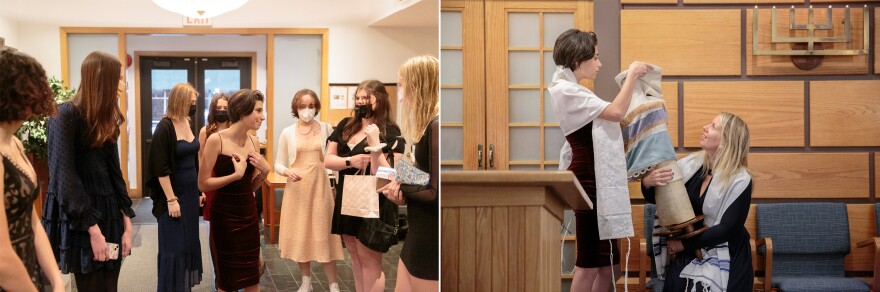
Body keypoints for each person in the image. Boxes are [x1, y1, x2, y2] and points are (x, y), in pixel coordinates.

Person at [548, 29, 651, 291]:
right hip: (589, 181)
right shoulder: (566, 90)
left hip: (596, 177)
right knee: (589, 263)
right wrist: (632, 75)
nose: (599, 64)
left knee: (608, 265)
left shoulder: (572, 89)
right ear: (577, 60)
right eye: (594, 57)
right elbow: (616, 112)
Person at [42, 51, 134, 292]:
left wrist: (127, 222)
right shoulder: (64, 114)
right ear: (103, 79)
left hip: (109, 214)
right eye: (119, 78)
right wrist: (92, 229)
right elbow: (64, 177)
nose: (122, 85)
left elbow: (115, 173)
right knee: (91, 286)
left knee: (109, 286)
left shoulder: (106, 117)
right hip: (81, 219)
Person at [641, 112, 753, 291]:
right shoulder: (690, 165)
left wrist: (682, 245)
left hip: (727, 253)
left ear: (727, 140)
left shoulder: (741, 179)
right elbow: (662, 200)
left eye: (713, 126)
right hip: (689, 250)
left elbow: (728, 229)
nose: (705, 127)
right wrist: (648, 183)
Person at [325, 80, 404, 292]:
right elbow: (328, 160)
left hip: (374, 200)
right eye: (357, 98)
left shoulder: (390, 130)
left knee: (369, 259)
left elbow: (391, 173)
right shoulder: (346, 125)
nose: (360, 102)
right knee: (354, 254)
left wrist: (375, 143)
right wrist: (350, 161)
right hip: (347, 195)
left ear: (379, 100)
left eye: (366, 98)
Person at [0, 48, 65, 292]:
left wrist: (57, 280)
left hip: (28, 273)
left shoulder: (15, 142)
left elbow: (32, 222)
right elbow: (2, 260)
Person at [198, 89, 270, 292]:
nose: (262, 116)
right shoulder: (216, 140)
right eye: (258, 111)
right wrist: (234, 176)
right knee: (227, 282)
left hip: (249, 216)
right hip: (225, 218)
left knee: (253, 279)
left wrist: (264, 173)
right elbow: (202, 183)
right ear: (242, 111)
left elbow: (249, 186)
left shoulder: (254, 142)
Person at [378, 55, 439, 291]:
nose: (401, 95)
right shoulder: (428, 125)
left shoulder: (436, 125)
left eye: (403, 86)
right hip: (417, 229)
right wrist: (400, 177)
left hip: (430, 234)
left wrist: (399, 181)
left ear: (418, 85)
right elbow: (425, 176)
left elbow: (434, 191)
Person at [274, 89, 343, 292]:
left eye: (311, 106)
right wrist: (287, 171)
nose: (307, 110)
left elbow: (334, 159)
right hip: (297, 190)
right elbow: (278, 163)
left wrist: (335, 185)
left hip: (321, 187)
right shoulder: (287, 132)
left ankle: (333, 284)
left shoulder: (326, 128)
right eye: (302, 106)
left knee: (325, 235)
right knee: (300, 234)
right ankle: (306, 281)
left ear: (317, 107)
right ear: (296, 108)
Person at [145, 83, 204, 291]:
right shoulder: (164, 127)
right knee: (174, 249)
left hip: (190, 195)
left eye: (195, 103)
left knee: (188, 245)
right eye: (191, 102)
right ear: (180, 101)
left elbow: (194, 160)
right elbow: (160, 168)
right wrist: (171, 199)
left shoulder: (187, 122)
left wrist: (199, 191)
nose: (194, 106)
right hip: (173, 197)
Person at [198, 93, 231, 221]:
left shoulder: (234, 130)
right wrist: (201, 189)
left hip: (230, 177)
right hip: (210, 179)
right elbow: (201, 160)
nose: (222, 111)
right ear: (213, 109)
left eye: (225, 108)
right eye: (219, 108)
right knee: (213, 219)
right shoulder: (205, 131)